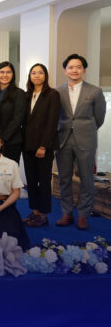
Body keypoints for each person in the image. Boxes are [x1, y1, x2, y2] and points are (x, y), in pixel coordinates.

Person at [55, 54, 106, 230]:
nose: (74, 70)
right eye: (71, 67)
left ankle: (83, 215)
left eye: (78, 67)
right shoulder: (57, 91)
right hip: (62, 139)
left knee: (87, 179)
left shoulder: (95, 91)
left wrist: (86, 129)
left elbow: (99, 117)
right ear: (65, 70)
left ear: (84, 70)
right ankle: (67, 213)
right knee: (64, 179)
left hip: (86, 140)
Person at [22, 63, 61, 228]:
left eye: (40, 73)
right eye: (33, 73)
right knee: (31, 181)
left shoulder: (52, 94)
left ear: (45, 75)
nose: (37, 75)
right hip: (27, 145)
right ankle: (35, 211)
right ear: (30, 76)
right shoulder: (27, 95)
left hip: (44, 146)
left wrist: (43, 146)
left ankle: (43, 215)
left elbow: (52, 122)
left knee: (43, 181)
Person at [0, 62, 26, 163]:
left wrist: (2, 138)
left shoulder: (19, 93)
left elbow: (18, 118)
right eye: (2, 72)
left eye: (8, 72)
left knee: (9, 171)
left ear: (13, 75)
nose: (5, 75)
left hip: (12, 141)